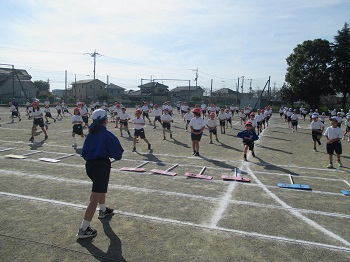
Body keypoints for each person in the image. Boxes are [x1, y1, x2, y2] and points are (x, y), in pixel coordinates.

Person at [77, 109, 124, 239]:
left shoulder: (90, 133)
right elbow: (118, 154)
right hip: (101, 166)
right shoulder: (106, 134)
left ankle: (103, 210)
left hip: (90, 166)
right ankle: (83, 228)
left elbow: (84, 152)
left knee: (100, 188)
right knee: (94, 197)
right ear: (105, 120)